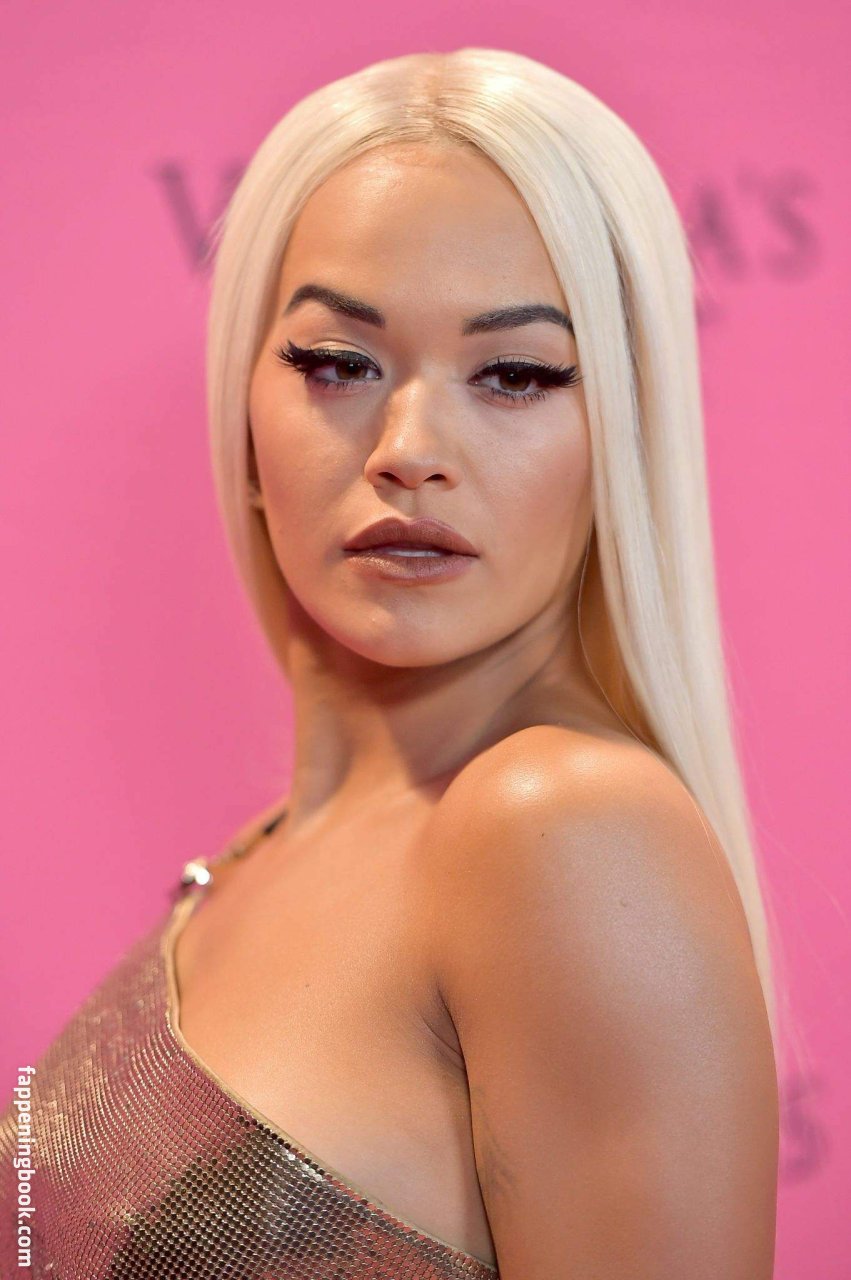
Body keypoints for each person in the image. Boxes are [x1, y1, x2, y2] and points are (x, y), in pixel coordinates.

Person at [0, 46, 783, 1278]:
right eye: (336, 363)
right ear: (245, 410)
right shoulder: (263, 849)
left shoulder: (561, 828)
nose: (410, 447)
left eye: (514, 373)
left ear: (621, 436)